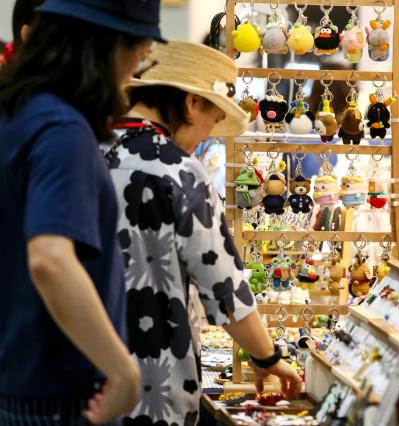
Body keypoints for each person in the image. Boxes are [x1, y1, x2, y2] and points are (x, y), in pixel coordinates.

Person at [104, 40, 302, 425]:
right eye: (213, 119)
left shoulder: (87, 146)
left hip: (80, 374)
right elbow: (223, 286)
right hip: (153, 378)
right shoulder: (179, 170)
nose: (209, 135)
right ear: (192, 103)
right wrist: (267, 358)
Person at [0, 0, 164, 424]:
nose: (140, 64)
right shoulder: (62, 128)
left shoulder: (19, 112)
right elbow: (50, 259)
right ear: (107, 44)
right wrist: (123, 370)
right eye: (140, 48)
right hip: (55, 398)